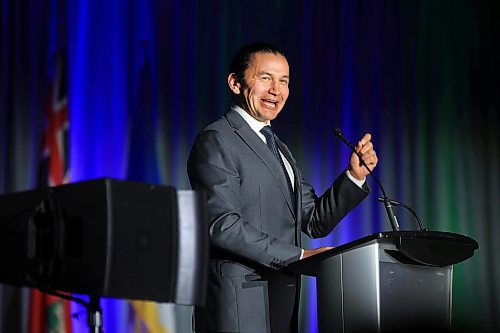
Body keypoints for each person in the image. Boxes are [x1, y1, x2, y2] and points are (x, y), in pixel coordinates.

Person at [187, 42, 378, 333]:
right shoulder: (217, 139)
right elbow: (221, 225)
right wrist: (298, 256)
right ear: (235, 83)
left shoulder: (280, 149)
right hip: (239, 299)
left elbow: (314, 221)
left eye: (284, 81)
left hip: (282, 296)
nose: (277, 90)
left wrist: (354, 176)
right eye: (265, 78)